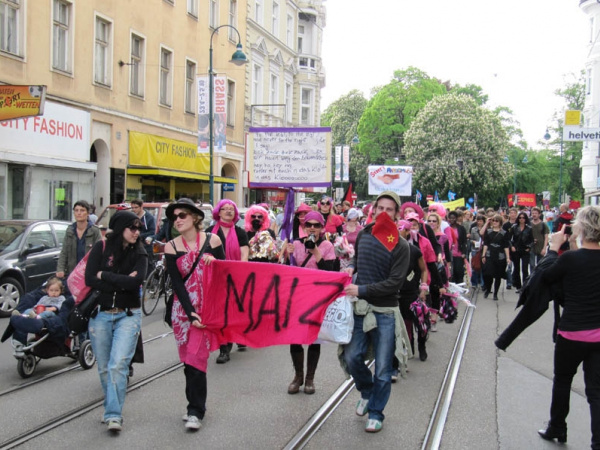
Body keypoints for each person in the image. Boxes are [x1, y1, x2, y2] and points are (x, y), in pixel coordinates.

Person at [342, 191, 410, 433]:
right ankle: (367, 392)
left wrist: (361, 289)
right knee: (352, 357)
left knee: (382, 368)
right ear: (373, 210)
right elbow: (357, 261)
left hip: (385, 312)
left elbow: (394, 283)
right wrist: (350, 267)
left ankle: (376, 412)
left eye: (389, 209)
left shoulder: (402, 246)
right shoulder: (364, 235)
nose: (383, 213)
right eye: (379, 208)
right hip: (360, 309)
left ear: (397, 214)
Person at [537, 206, 600, 448]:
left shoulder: (571, 259)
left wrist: (553, 249)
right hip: (598, 335)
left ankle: (557, 427)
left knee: (563, 380)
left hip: (572, 332)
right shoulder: (576, 257)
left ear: (581, 228)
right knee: (596, 390)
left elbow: (545, 277)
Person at [163, 198, 225, 432]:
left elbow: (227, 274)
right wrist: (190, 314)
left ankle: (195, 411)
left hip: (207, 310)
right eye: (174, 217)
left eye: (182, 216)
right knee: (188, 361)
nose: (177, 220)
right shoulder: (171, 247)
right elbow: (177, 284)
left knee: (197, 360)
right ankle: (193, 404)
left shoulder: (214, 240)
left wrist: (215, 262)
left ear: (195, 218)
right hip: (183, 312)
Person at [85, 211, 148, 432]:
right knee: (104, 367)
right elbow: (89, 278)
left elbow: (137, 282)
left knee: (118, 364)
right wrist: (121, 281)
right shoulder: (101, 248)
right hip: (100, 314)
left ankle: (113, 414)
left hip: (128, 315)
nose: (137, 232)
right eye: (133, 228)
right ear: (121, 228)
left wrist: (106, 276)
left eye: (139, 228)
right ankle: (111, 405)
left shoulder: (140, 251)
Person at [284, 211, 337, 395]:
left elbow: (330, 272)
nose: (312, 228)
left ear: (322, 228)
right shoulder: (296, 243)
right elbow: (286, 272)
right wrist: (286, 255)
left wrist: (315, 251)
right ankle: (298, 376)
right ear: (304, 227)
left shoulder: (328, 246)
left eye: (316, 225)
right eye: (309, 225)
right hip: (298, 296)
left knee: (315, 338)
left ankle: (310, 378)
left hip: (317, 297)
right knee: (295, 337)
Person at [206, 199, 249, 363]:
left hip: (235, 277)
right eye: (225, 209)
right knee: (221, 313)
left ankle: (236, 335)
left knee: (234, 310)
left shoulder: (240, 232)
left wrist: (240, 272)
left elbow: (244, 254)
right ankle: (224, 348)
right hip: (216, 278)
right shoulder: (210, 231)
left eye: (232, 209)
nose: (229, 211)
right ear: (219, 212)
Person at [396, 220, 429, 363]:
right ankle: (410, 349)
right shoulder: (391, 250)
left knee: (421, 324)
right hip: (399, 294)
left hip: (413, 293)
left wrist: (423, 288)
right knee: (406, 325)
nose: (397, 231)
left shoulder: (414, 251)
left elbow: (423, 270)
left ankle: (422, 346)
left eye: (400, 229)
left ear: (408, 232)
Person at [56, 200, 102, 279]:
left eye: (82, 210)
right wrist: (60, 269)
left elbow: (100, 253)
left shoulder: (95, 231)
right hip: (72, 273)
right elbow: (64, 252)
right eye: (76, 210)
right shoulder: (70, 230)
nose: (79, 213)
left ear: (88, 213)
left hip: (88, 273)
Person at [482, 214, 511, 301]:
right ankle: (488, 288)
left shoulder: (504, 233)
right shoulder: (488, 231)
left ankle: (495, 293)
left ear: (500, 222)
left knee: (498, 276)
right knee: (488, 274)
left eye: (496, 221)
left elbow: (506, 246)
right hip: (489, 254)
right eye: (493, 220)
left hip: (500, 256)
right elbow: (485, 244)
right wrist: (483, 255)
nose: (494, 222)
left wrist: (508, 257)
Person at [509, 212, 534, 294]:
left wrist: (529, 247)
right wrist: (512, 246)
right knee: (516, 268)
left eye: (523, 218)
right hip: (516, 250)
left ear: (526, 219)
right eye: (520, 218)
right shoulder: (514, 227)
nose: (521, 219)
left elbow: (532, 240)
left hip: (525, 250)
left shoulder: (529, 228)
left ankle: (525, 286)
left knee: (524, 269)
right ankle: (518, 286)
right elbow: (509, 238)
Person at [132, 199, 156, 273]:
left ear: (141, 206)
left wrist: (140, 235)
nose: (134, 209)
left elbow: (152, 231)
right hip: (134, 245)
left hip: (146, 245)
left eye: (136, 207)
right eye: (132, 207)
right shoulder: (132, 216)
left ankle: (150, 282)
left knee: (148, 264)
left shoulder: (149, 218)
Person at [448, 210, 468, 284]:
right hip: (450, 253)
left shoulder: (461, 228)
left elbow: (464, 241)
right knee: (451, 271)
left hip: (458, 252)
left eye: (454, 218)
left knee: (458, 270)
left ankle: (460, 283)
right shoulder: (447, 228)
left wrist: (464, 252)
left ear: (456, 218)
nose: (452, 220)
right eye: (450, 218)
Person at [529, 206, 549, 271]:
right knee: (532, 264)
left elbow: (546, 237)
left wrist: (544, 248)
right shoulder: (529, 224)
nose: (534, 215)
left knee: (540, 264)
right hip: (531, 246)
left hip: (540, 246)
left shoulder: (543, 224)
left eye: (536, 213)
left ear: (539, 214)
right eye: (533, 213)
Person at [502, 207, 518, 290]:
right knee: (509, 266)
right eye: (511, 213)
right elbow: (505, 237)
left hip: (516, 248)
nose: (513, 215)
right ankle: (509, 282)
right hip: (508, 247)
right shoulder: (506, 225)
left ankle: (514, 280)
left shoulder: (519, 224)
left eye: (514, 213)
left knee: (516, 266)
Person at [469, 215, 487, 288]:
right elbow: (470, 239)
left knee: (484, 267)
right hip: (475, 249)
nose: (479, 222)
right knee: (475, 267)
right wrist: (473, 242)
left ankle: (483, 284)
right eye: (478, 221)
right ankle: (474, 283)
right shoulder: (473, 229)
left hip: (484, 249)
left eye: (481, 221)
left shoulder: (487, 229)